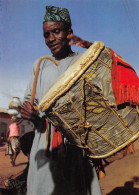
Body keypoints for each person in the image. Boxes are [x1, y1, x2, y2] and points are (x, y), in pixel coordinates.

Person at [20, 6, 102, 195]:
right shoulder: (40, 65)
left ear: (69, 33)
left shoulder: (83, 62)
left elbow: (96, 103)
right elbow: (28, 101)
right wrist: (29, 112)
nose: (51, 39)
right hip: (45, 146)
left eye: (56, 31)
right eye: (46, 35)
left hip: (75, 146)